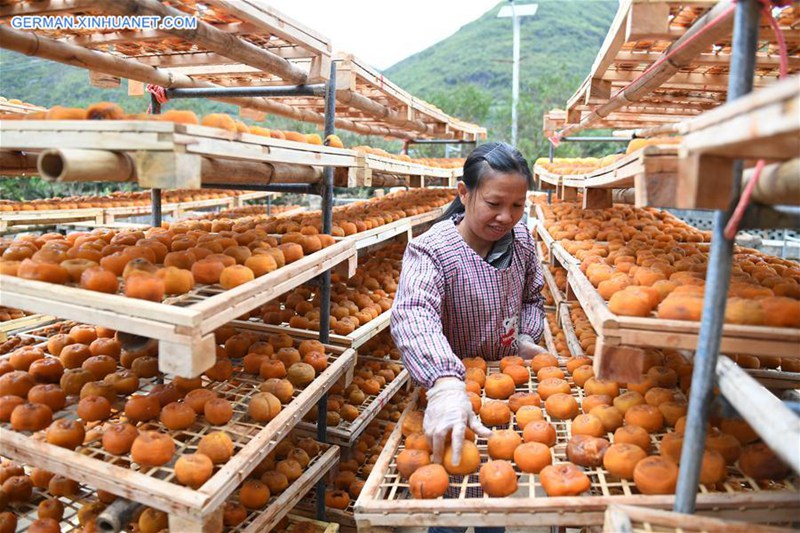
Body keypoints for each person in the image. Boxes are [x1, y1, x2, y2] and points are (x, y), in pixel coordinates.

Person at [391, 142, 547, 532]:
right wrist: (445, 383)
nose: (505, 217)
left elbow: (532, 296)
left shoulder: (522, 242)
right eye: (494, 203)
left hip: (505, 391)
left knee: (493, 485)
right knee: (453, 498)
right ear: (464, 193)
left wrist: (526, 335)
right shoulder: (432, 250)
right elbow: (414, 313)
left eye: (516, 206)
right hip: (451, 391)